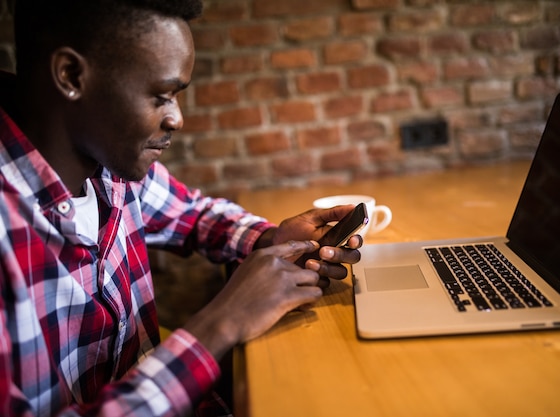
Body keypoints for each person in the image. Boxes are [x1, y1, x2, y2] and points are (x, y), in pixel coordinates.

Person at [0, 0, 363, 416]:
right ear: (71, 75)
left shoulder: (109, 166)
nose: (176, 119)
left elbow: (194, 215)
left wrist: (271, 238)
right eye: (161, 96)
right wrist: (219, 324)